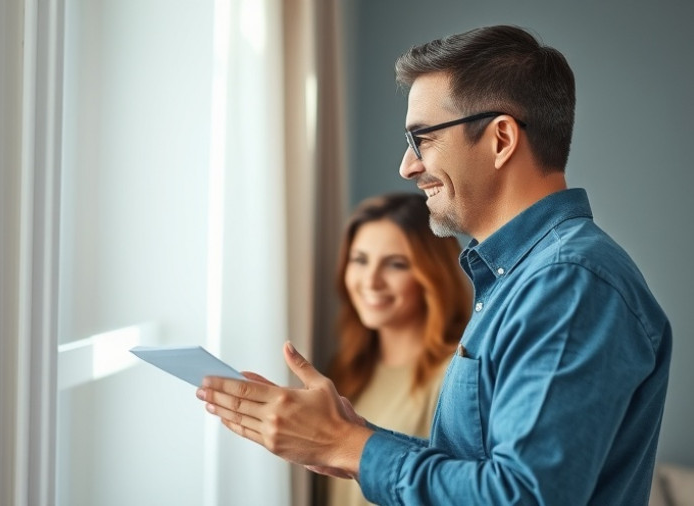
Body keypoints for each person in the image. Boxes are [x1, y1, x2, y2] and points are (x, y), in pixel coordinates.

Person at [195, 24, 672, 505]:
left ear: (501, 139)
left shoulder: (569, 282)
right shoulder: (524, 278)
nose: (407, 165)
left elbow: (523, 497)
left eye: (422, 138)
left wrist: (351, 447)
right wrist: (348, 439)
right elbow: (483, 468)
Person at [325, 192, 471, 506]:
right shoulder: (344, 370)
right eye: (360, 260)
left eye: (395, 264)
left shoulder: (455, 378)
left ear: (432, 276)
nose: (371, 281)